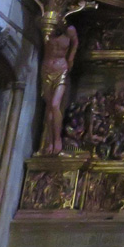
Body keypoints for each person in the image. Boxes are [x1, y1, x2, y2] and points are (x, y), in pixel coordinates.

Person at [39, 21, 79, 155]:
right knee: (49, 106)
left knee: (55, 105)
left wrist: (71, 59)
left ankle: (57, 140)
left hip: (61, 69)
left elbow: (75, 42)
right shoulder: (47, 27)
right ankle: (49, 141)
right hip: (47, 69)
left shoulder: (70, 30)